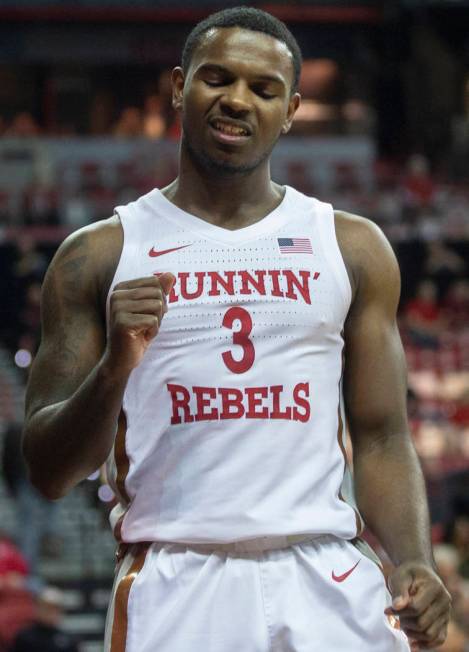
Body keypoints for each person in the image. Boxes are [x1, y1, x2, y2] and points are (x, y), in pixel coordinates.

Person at [23, 7, 451, 651]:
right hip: (176, 575)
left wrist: (415, 557)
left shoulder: (352, 247)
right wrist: (115, 364)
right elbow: (49, 471)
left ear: (291, 108)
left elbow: (383, 433)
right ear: (177, 85)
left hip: (326, 572)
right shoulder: (100, 255)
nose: (237, 100)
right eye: (216, 78)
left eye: (263, 88)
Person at [9, 587, 79, 652]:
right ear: (38, 608)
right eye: (47, 608)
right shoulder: (24, 637)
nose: (51, 613)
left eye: (55, 608)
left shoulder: (67, 640)